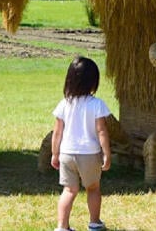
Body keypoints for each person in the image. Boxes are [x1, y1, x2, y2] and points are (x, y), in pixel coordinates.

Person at [51, 56, 112, 231]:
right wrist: (106, 153)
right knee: (93, 188)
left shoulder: (64, 104)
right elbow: (102, 131)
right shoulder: (97, 104)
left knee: (69, 190)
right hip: (89, 154)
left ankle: (62, 227)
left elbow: (57, 133)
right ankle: (94, 223)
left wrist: (55, 154)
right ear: (93, 81)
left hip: (67, 153)